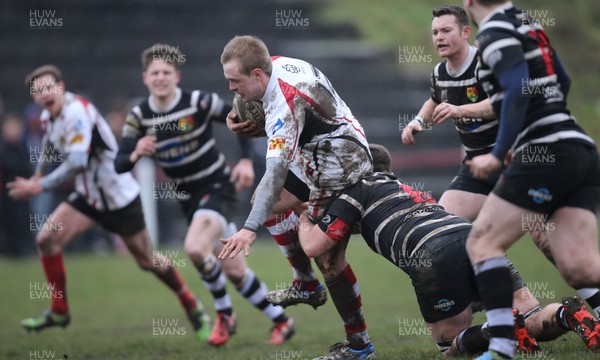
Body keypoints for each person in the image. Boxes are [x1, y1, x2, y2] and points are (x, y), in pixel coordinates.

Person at [299, 144, 600, 357]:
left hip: (433, 253)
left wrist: (304, 216)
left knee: (451, 347)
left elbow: (314, 246)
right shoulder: (406, 189)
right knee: (529, 313)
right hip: (473, 238)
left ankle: (496, 329)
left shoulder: (356, 191)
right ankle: (565, 315)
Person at [401, 4, 600, 318]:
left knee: (546, 240)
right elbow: (436, 98)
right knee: (445, 224)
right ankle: (499, 297)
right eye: (435, 32)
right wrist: (417, 122)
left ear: (466, 32)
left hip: (513, 158)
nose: (439, 37)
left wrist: (462, 111)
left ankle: (591, 305)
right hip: (477, 167)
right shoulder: (440, 73)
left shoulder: (487, 57)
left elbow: (504, 101)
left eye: (446, 30)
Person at [114, 44, 294, 346]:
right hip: (187, 199)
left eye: (166, 72)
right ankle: (282, 320)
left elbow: (242, 119)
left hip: (217, 188)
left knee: (195, 249)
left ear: (177, 76)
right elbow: (119, 164)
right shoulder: (139, 116)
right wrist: (135, 153)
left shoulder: (198, 102)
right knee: (236, 272)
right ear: (145, 78)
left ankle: (224, 315)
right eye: (154, 73)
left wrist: (247, 161)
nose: (160, 78)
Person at [9, 65, 206, 338]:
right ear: (34, 97)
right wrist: (38, 174)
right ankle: (59, 310)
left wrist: (38, 185)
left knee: (148, 261)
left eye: (48, 87)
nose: (44, 94)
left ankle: (190, 301)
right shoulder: (48, 116)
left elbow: (77, 162)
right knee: (46, 239)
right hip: (89, 198)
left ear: (61, 87)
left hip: (119, 198)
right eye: (38, 91)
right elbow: (51, 145)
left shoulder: (77, 112)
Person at [218, 35, 375, 359]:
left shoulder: (285, 102)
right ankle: (305, 283)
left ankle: (360, 346)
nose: (232, 89)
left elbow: (275, 172)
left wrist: (249, 229)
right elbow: (295, 122)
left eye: (235, 82)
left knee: (328, 260)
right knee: (268, 205)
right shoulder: (270, 64)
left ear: (257, 75)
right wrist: (248, 125)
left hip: (339, 163)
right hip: (317, 153)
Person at [460, 1, 600, 359]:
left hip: (547, 152)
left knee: (482, 243)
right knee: (579, 266)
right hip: (578, 147)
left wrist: (499, 151)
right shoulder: (525, 21)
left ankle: (503, 348)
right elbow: (562, 79)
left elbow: (517, 87)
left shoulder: (492, 31)